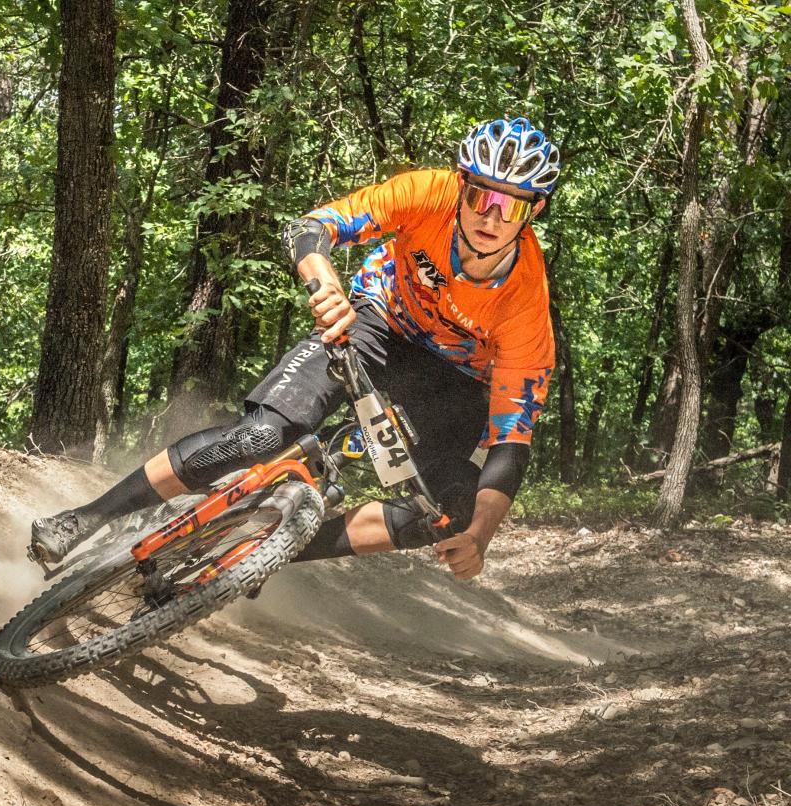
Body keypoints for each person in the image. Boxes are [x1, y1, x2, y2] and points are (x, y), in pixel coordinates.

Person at [29, 117, 561, 581]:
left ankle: (268, 552)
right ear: (460, 185)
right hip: (378, 323)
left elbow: (511, 441)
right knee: (261, 436)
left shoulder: (526, 305)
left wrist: (481, 537)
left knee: (452, 514)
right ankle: (84, 519)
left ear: (532, 211)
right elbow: (313, 226)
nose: (490, 218)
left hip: (455, 383)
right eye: (480, 197)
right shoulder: (426, 194)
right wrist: (324, 280)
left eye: (509, 206)